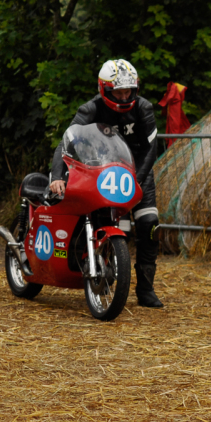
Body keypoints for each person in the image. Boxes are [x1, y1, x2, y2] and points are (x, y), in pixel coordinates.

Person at [49, 59, 163, 308]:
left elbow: (152, 148)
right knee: (113, 225)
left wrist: (138, 179)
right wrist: (57, 175)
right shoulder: (89, 109)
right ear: (104, 89)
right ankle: (107, 280)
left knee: (149, 226)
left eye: (128, 91)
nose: (123, 97)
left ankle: (146, 290)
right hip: (104, 175)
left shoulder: (144, 108)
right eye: (117, 92)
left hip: (138, 174)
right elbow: (65, 142)